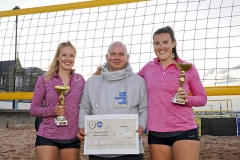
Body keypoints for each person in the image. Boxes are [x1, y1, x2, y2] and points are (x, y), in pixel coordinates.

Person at [138, 26, 207, 160]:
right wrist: (104, 70)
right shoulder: (148, 68)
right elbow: (129, 82)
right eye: (157, 43)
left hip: (184, 131)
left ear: (173, 44)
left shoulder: (188, 68)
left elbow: (202, 98)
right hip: (156, 133)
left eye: (165, 42)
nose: (161, 47)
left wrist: (187, 99)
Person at [77, 41, 148, 160]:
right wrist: (82, 125)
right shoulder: (92, 82)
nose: (117, 58)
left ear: (127, 57)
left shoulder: (138, 82)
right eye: (113, 54)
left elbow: (144, 108)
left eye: (121, 54)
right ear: (106, 56)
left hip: (130, 149)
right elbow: (84, 107)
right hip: (99, 150)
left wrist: (141, 125)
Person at [30, 41, 85, 160]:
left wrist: (99, 75)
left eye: (71, 55)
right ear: (57, 57)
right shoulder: (44, 79)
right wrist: (53, 110)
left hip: (72, 136)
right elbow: (33, 109)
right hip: (47, 136)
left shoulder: (80, 80)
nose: (68, 59)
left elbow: (87, 103)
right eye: (64, 55)